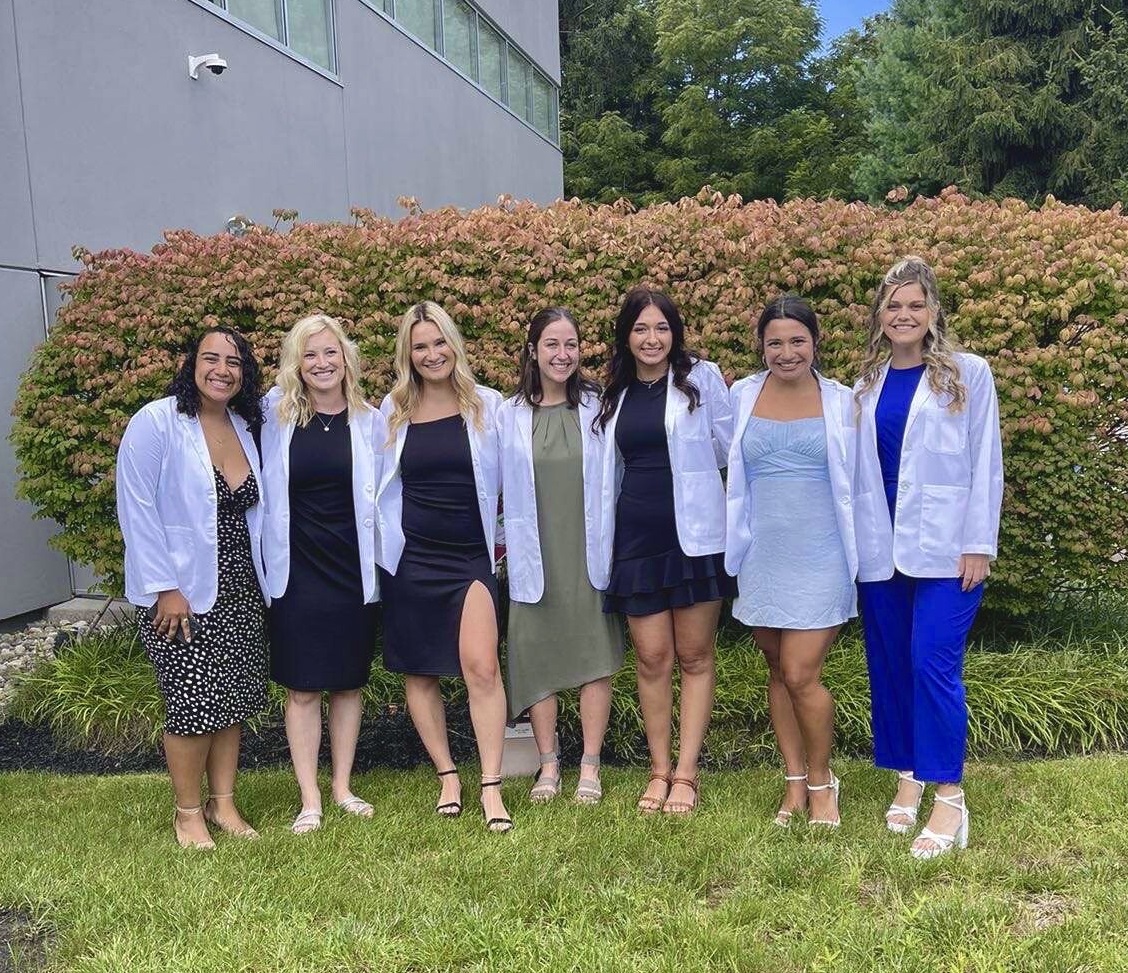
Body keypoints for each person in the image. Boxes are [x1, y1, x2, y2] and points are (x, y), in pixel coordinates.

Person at [853, 256, 1003, 859]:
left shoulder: (969, 374)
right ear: (880, 316)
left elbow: (985, 461)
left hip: (947, 551)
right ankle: (907, 777)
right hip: (879, 551)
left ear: (934, 311)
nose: (904, 315)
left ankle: (949, 797)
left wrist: (978, 543)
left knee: (931, 662)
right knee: (890, 663)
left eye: (915, 305)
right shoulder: (865, 385)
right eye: (894, 306)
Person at [116, 326, 268, 850]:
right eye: (211, 358)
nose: (222, 369)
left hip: (239, 587)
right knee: (190, 701)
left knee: (230, 699)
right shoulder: (156, 422)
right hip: (178, 593)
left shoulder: (246, 426)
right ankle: (187, 813)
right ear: (191, 364)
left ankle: (222, 803)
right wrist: (165, 587)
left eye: (233, 362)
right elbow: (135, 508)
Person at [595, 286, 734, 815]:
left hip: (695, 539)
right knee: (652, 658)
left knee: (695, 656)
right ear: (626, 337)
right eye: (640, 329)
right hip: (635, 539)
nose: (652, 339)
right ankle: (658, 769)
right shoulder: (615, 391)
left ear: (674, 332)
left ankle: (687, 772)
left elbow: (728, 450)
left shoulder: (702, 378)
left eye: (661, 328)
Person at [375, 301, 513, 832]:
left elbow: (516, 484)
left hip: (470, 556)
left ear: (454, 345)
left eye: (439, 343)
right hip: (411, 558)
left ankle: (492, 786)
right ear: (408, 355)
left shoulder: (489, 405)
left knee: (482, 666)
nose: (432, 354)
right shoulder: (391, 410)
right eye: (420, 346)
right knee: (421, 671)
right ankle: (448, 776)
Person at [725, 296, 857, 828]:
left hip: (823, 552)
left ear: (815, 342)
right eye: (775, 342)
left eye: (797, 340)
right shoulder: (740, 395)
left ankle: (824, 781)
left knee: (802, 672)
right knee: (778, 670)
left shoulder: (844, 401)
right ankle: (794, 781)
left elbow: (866, 482)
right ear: (761, 346)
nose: (786, 352)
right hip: (762, 553)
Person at [260, 314, 386, 835]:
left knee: (348, 684)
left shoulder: (372, 419)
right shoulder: (274, 413)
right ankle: (309, 797)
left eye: (330, 353)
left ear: (346, 358)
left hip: (352, 570)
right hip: (296, 568)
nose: (321, 363)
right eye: (309, 355)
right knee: (303, 688)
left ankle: (342, 786)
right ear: (296, 363)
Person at [497, 307, 624, 804]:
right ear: (533, 350)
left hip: (588, 550)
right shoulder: (508, 415)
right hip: (535, 554)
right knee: (538, 654)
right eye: (551, 344)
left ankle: (589, 766)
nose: (562, 354)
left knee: (595, 655)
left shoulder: (600, 407)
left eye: (570, 344)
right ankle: (548, 765)